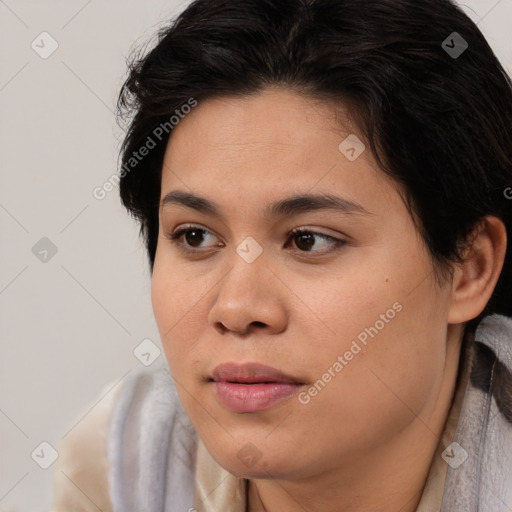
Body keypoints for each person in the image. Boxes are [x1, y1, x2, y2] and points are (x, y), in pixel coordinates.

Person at [51, 0, 512, 510]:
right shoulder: (116, 467)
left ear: (471, 268)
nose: (237, 309)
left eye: (308, 240)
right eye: (196, 237)